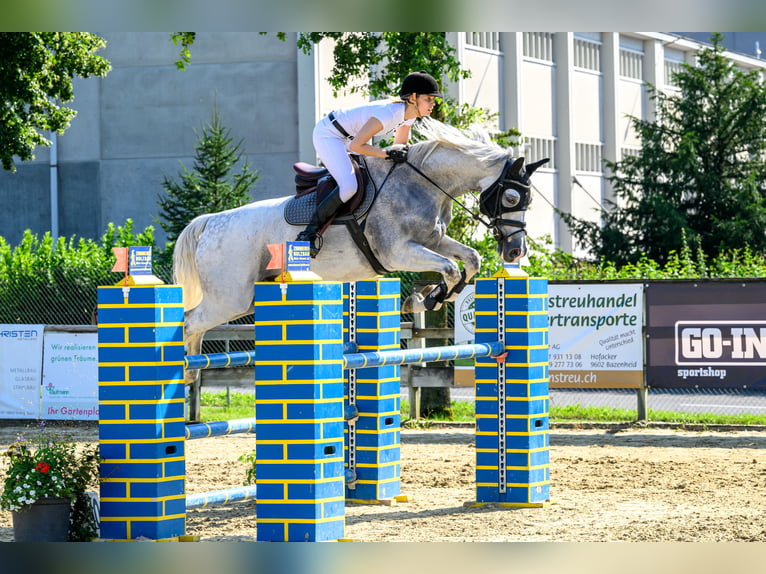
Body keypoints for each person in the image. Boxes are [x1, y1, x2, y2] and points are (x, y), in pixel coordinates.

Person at [296, 70, 442, 257]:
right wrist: (386, 153)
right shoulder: (389, 113)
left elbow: (401, 146)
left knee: (373, 177)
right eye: (428, 99)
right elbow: (359, 145)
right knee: (349, 186)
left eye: (433, 99)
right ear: (413, 98)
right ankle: (307, 234)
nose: (433, 103)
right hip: (329, 134)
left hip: (350, 137)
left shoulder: (410, 115)